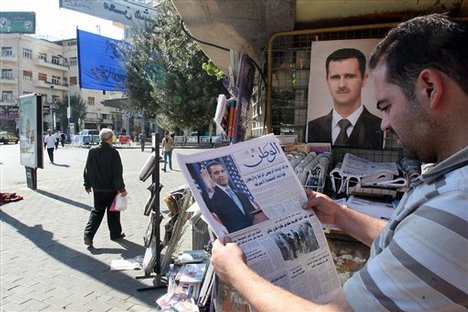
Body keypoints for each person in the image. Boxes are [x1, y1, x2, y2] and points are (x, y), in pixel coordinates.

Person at [211, 13, 468, 311]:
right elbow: (409, 244)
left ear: (429, 88)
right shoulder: (450, 186)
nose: (384, 124)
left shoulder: (454, 205)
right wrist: (341, 215)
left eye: (386, 106)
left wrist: (237, 273)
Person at [307, 48, 383, 148]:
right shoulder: (313, 127)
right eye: (335, 77)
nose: (342, 85)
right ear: (327, 80)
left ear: (364, 79)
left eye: (349, 76)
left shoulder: (380, 127)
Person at [83, 128, 127, 246]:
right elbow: (117, 173)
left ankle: (88, 235)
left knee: (97, 212)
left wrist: (87, 184)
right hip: (111, 189)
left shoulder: (92, 151)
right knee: (113, 212)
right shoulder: (113, 153)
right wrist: (122, 189)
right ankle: (115, 234)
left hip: (98, 189)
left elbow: (87, 169)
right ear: (109, 139)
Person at [201, 161, 259, 233]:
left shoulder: (242, 195)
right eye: (216, 173)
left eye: (222, 171)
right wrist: (210, 188)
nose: (221, 175)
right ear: (210, 177)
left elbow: (255, 215)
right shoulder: (212, 196)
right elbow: (210, 208)